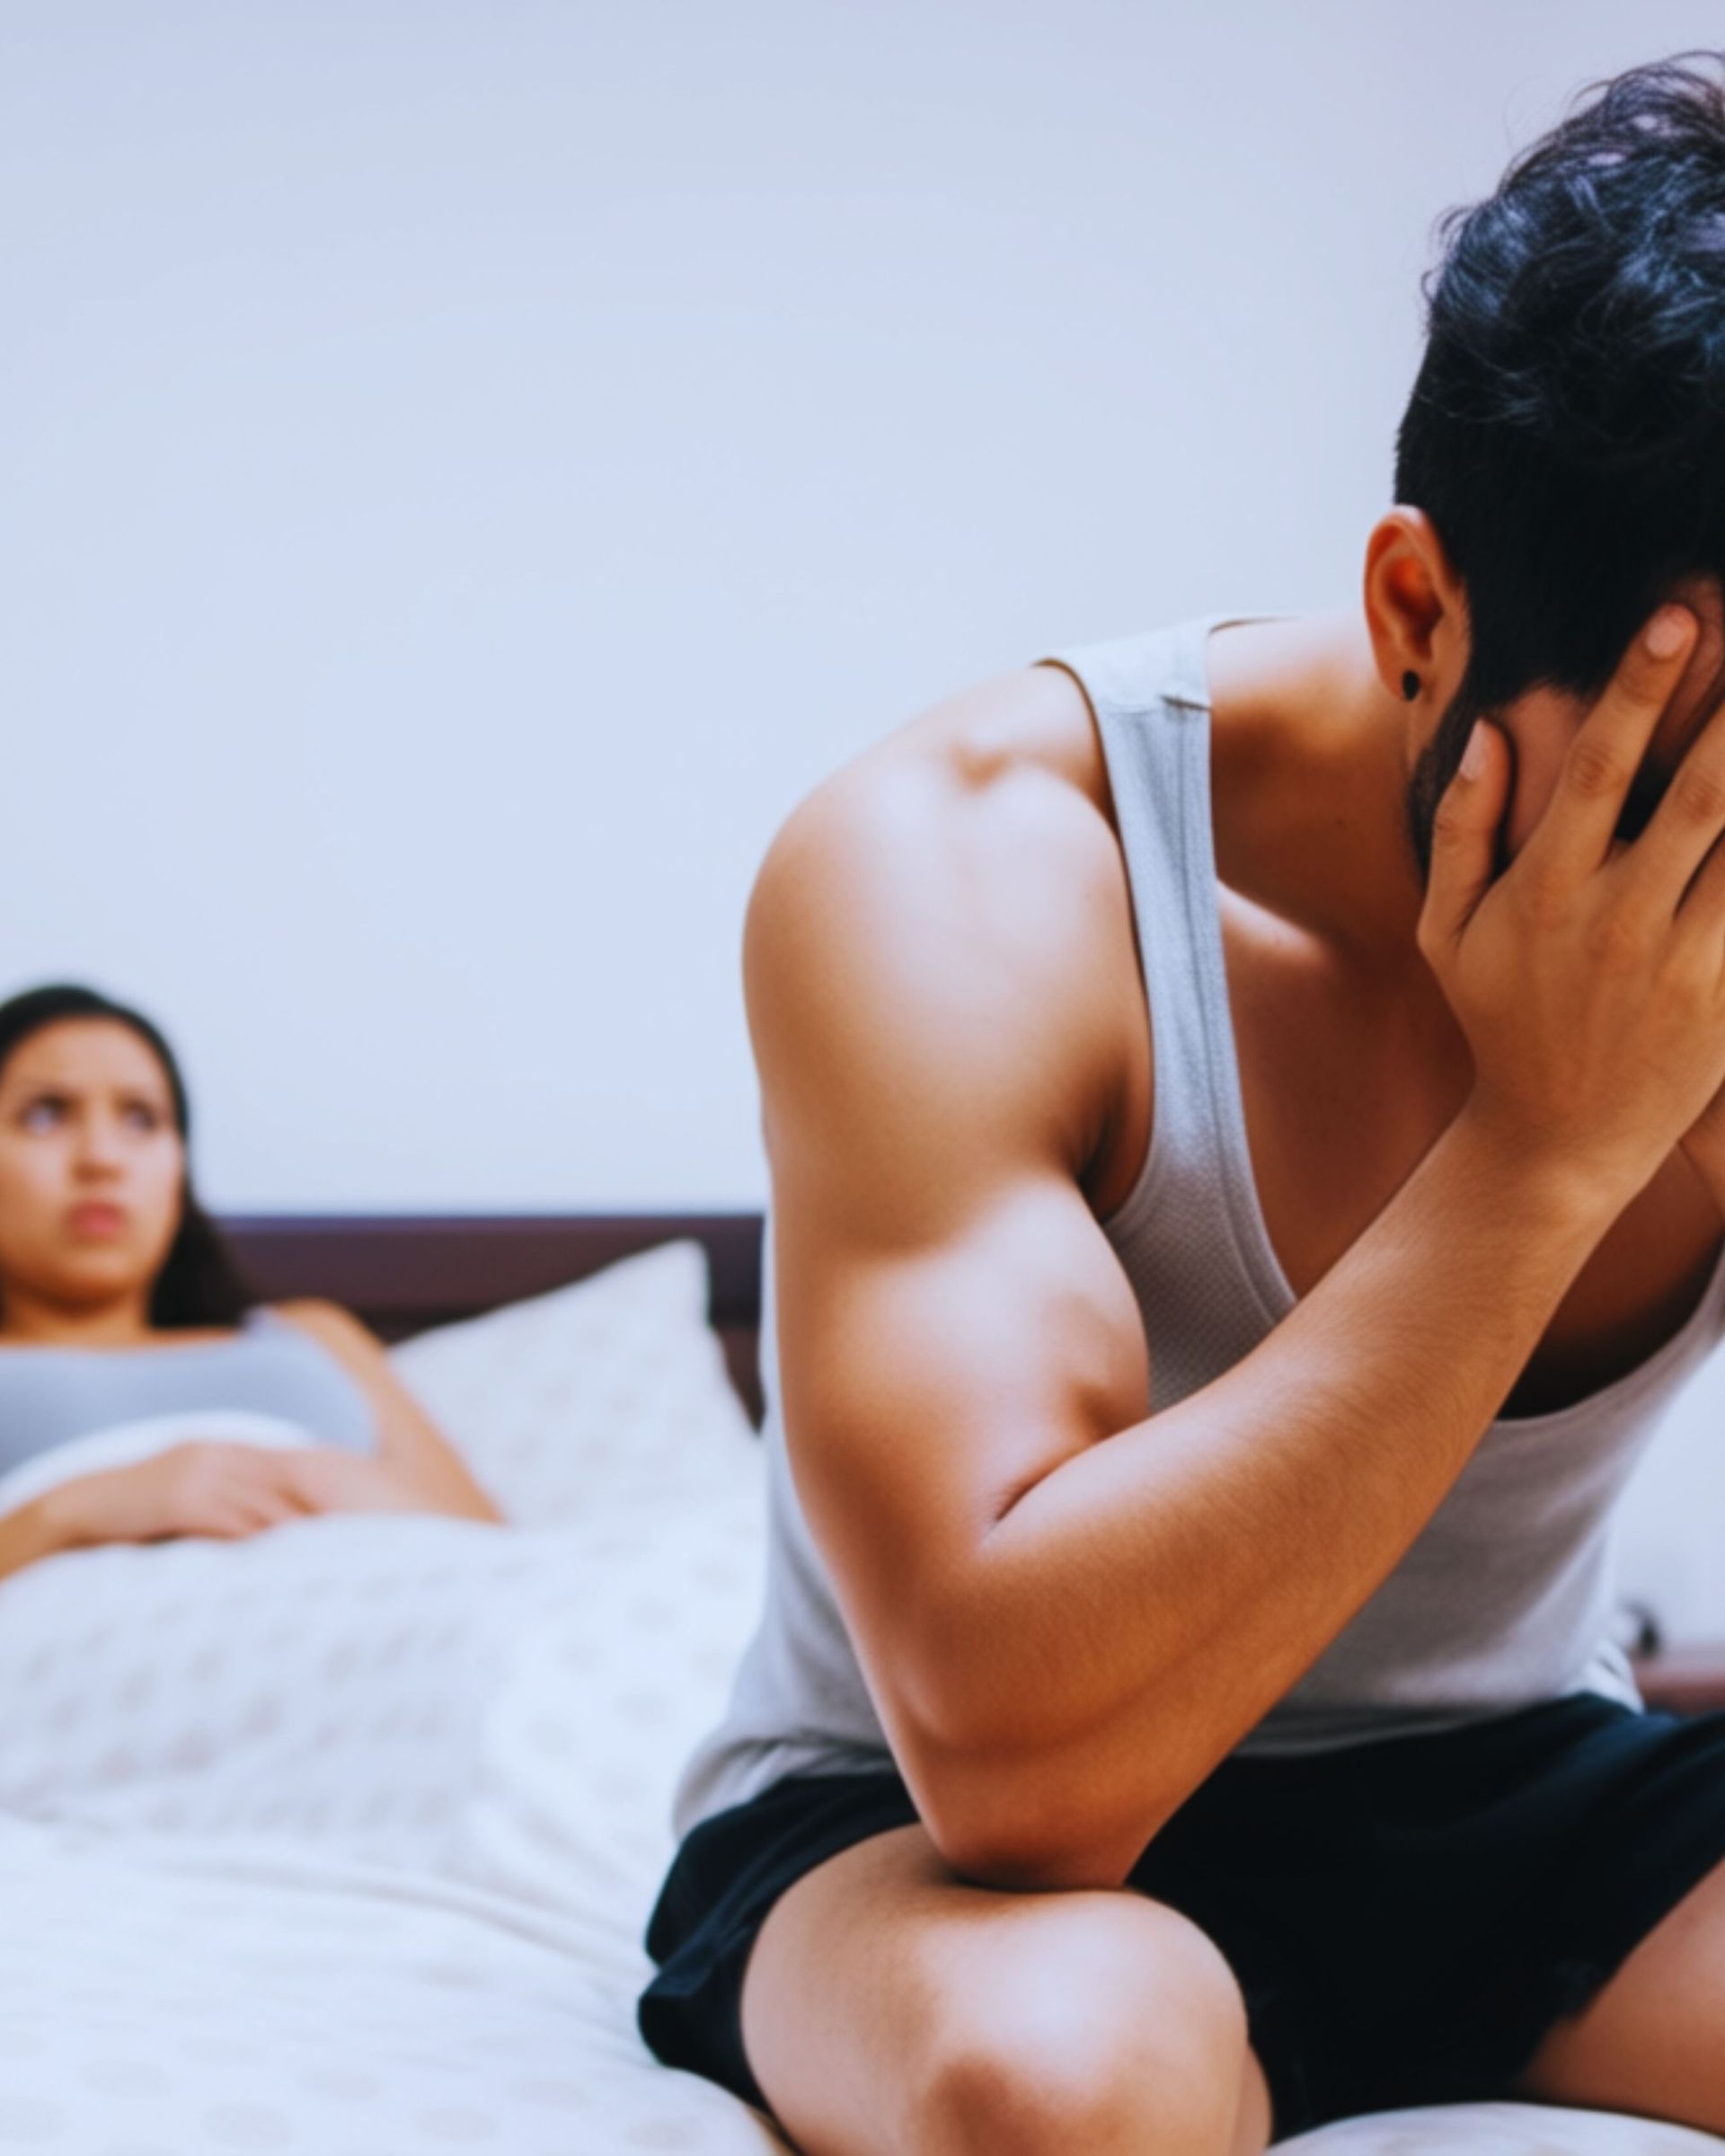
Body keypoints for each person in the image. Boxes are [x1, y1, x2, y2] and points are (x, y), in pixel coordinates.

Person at [638, 47, 1725, 2156]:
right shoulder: (962, 871)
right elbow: (1015, 1758)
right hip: (944, 1844)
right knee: (1070, 2073)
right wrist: (1548, 1144)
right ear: (1420, 612)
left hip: (1513, 1779)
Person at [0, 981, 503, 1589]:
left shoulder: (311, 1335)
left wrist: (352, 1489)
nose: (103, 1158)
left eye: (142, 1119)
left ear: (179, 1171)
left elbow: (504, 1562)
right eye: (46, 1114)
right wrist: (70, 1513)